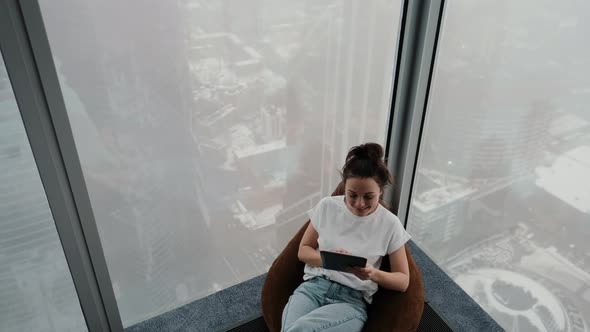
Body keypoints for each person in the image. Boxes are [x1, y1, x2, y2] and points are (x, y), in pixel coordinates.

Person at [280, 143, 411, 332]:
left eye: (368, 197)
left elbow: (403, 281)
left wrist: (371, 273)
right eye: (352, 195)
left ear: (380, 192)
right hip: (314, 288)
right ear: (344, 187)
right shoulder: (327, 206)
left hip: (351, 302)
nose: (359, 203)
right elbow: (303, 251)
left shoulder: (390, 224)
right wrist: (330, 258)